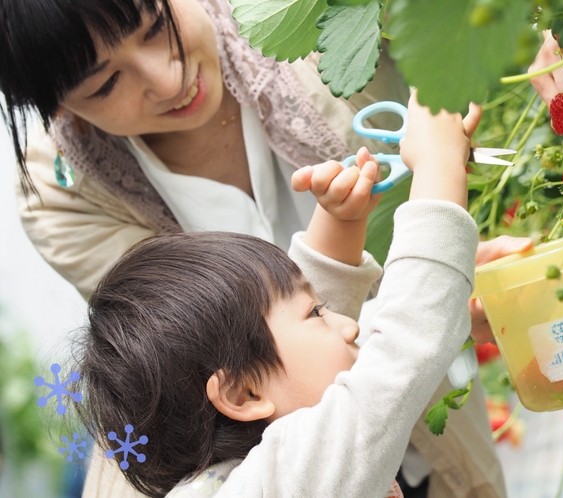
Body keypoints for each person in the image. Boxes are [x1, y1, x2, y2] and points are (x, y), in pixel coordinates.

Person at [0, 0, 530, 495]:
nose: (166, 79)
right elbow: (370, 357)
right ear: (58, 110)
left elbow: (273, 351)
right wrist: (437, 197)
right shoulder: (62, 198)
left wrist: (422, 287)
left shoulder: (300, 16)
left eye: (158, 27)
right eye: (107, 82)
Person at [73, 93, 484, 498]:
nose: (350, 325)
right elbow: (404, 350)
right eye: (318, 312)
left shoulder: (238, 478)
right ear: (242, 395)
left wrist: (340, 223)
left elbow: (286, 348)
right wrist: (438, 165)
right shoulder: (294, 479)